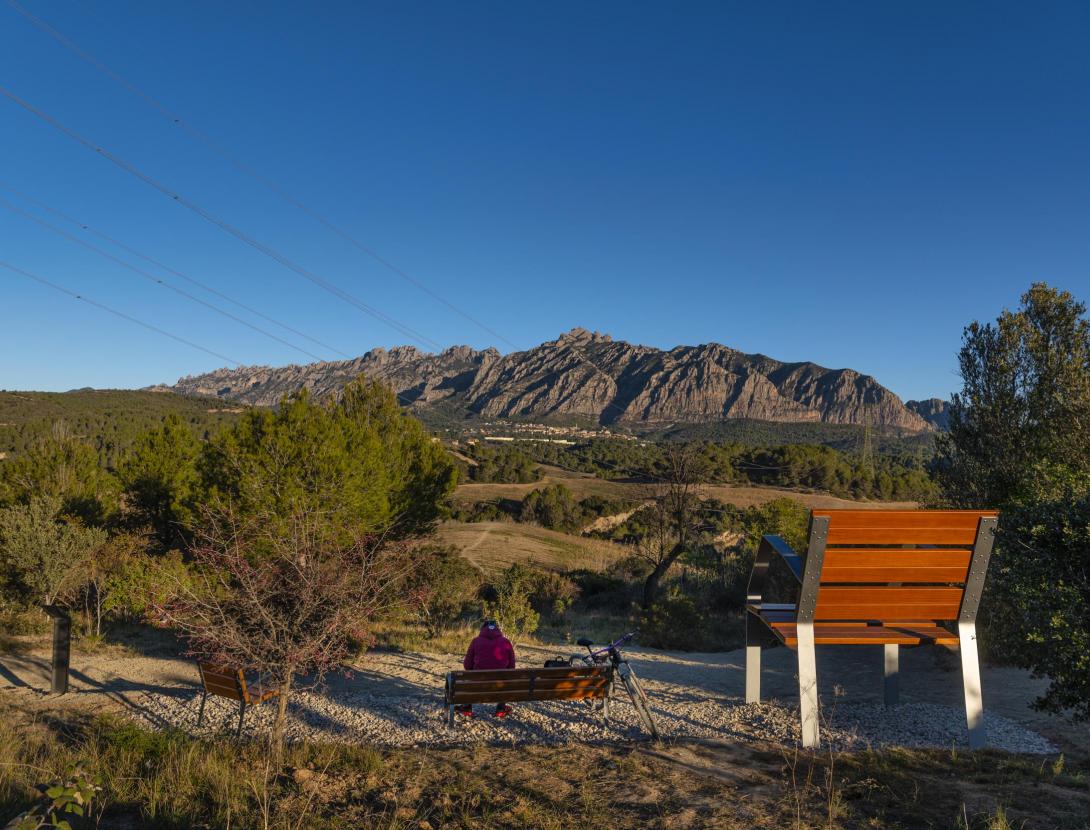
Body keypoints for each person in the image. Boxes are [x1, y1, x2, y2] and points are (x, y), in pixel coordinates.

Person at [458, 619, 516, 718]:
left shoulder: (476, 641)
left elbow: (467, 665)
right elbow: (512, 666)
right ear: (498, 629)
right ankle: (501, 709)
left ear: (482, 629)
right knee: (505, 678)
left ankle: (467, 707)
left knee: (468, 678)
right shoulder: (506, 642)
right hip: (500, 685)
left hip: (478, 684)